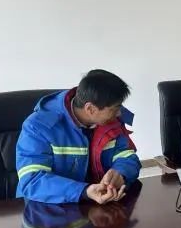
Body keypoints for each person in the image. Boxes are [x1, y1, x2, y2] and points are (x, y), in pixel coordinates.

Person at [16, 69, 141, 204]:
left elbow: (127, 155)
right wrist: (84, 191)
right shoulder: (38, 126)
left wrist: (120, 173)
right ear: (90, 109)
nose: (119, 114)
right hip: (45, 207)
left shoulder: (110, 121)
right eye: (114, 109)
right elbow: (32, 180)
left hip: (97, 205)